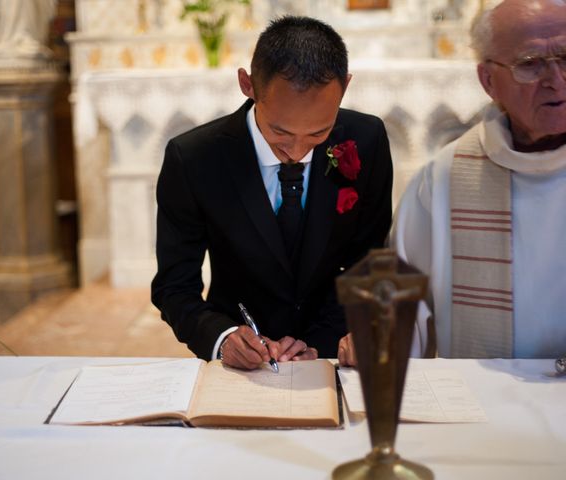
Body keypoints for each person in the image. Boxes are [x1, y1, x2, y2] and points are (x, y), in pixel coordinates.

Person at [151, 16, 393, 370]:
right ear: (247, 85)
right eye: (280, 132)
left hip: (331, 354)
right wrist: (222, 337)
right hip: (242, 359)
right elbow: (174, 287)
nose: (297, 150)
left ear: (345, 86)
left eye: (318, 133)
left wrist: (329, 340)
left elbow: (369, 261)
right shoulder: (194, 158)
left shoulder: (367, 139)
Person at [388, 0, 566, 359]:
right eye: (530, 65)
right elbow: (400, 309)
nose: (556, 80)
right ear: (488, 80)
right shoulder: (444, 179)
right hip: (483, 405)